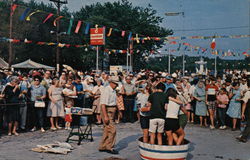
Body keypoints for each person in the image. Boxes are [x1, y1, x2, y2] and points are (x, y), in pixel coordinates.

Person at [99, 77, 119, 154]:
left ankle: (103, 146)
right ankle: (109, 147)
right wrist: (105, 116)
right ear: (111, 83)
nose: (116, 85)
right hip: (107, 110)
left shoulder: (113, 90)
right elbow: (103, 104)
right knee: (112, 130)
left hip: (111, 110)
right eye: (115, 84)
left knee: (107, 129)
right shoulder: (106, 90)